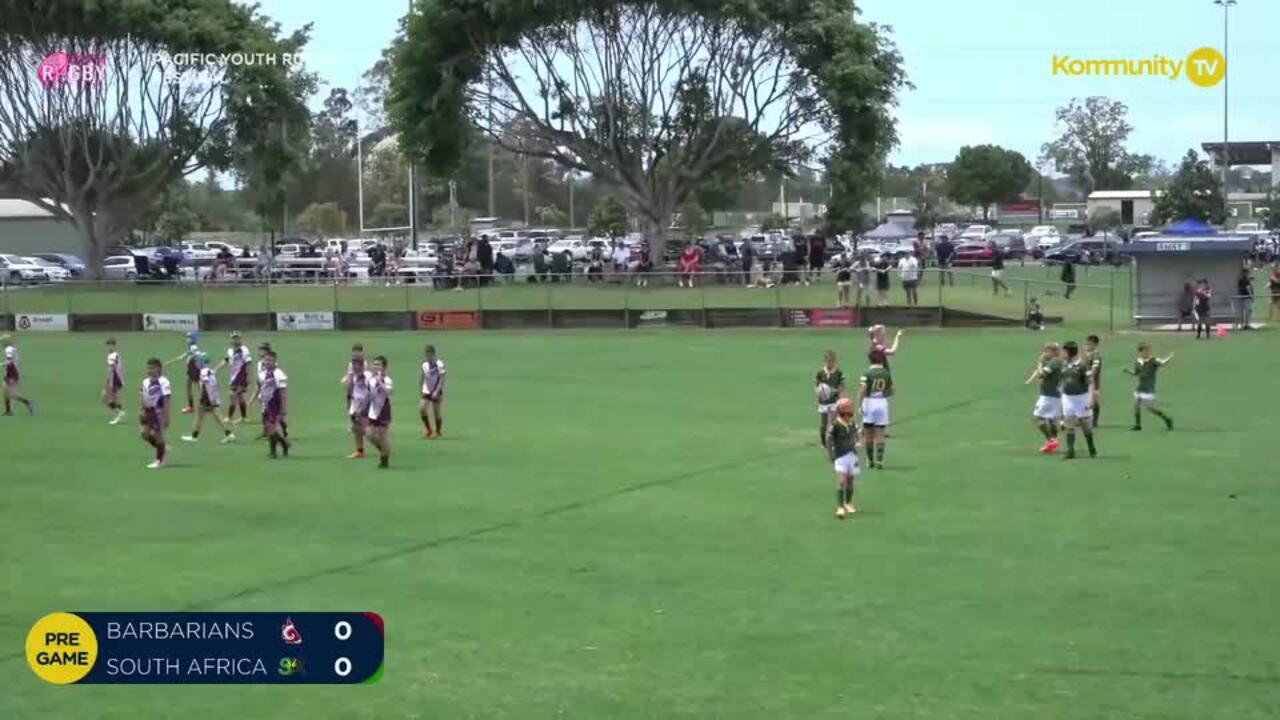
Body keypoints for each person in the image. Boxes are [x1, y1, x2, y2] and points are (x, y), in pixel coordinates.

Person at [181, 353, 234, 444]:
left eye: (198, 362)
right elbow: (213, 384)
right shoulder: (210, 371)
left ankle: (195, 437)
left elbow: (205, 385)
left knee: (203, 415)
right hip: (212, 397)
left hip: (207, 397)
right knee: (206, 416)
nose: (196, 364)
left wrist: (202, 396)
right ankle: (228, 434)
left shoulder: (203, 372)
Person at [1059, 341, 1098, 460]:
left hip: (1081, 398)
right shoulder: (1064, 364)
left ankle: (1091, 448)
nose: (1063, 353)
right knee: (1069, 423)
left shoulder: (1082, 366)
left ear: (1070, 352)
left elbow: (1091, 383)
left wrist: (1091, 399)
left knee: (1085, 424)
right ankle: (1070, 451)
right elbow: (1064, 379)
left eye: (1064, 351)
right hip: (1067, 398)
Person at [1025, 342, 1064, 454]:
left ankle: (1051, 440)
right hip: (1056, 395)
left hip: (1048, 396)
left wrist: (1040, 365)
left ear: (1054, 352)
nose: (1045, 353)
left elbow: (1042, 375)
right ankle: (1052, 442)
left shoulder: (1054, 363)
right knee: (1051, 419)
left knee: (1038, 418)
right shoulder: (1058, 362)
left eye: (1047, 351)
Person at [1125, 343, 1174, 431]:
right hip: (1140, 387)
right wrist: (1128, 371)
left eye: (1148, 350)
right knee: (1136, 405)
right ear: (1140, 352)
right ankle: (1138, 424)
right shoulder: (1138, 362)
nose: (1147, 352)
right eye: (1145, 350)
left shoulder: (1153, 360)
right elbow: (1137, 373)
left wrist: (1169, 357)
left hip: (1149, 388)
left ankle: (1167, 419)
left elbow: (1163, 363)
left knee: (1150, 408)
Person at [858, 348, 893, 469]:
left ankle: (870, 460)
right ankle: (880, 461)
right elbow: (892, 390)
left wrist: (859, 404)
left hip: (869, 402)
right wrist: (883, 394)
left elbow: (863, 389)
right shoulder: (886, 373)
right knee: (880, 433)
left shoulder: (867, 373)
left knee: (868, 433)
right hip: (882, 402)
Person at [251, 350, 290, 458]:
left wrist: (283, 408)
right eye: (266, 360)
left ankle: (273, 452)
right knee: (269, 429)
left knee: (271, 427)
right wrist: (255, 399)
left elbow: (283, 393)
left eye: (270, 360)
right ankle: (284, 444)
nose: (268, 362)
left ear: (275, 361)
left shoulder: (279, 374)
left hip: (275, 404)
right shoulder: (261, 374)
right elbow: (259, 388)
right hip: (265, 404)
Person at [827, 397, 860, 519]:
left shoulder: (851, 423)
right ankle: (840, 507)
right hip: (840, 456)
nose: (851, 409)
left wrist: (857, 440)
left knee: (850, 480)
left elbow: (856, 435)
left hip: (852, 456)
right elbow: (829, 439)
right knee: (842, 481)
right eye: (849, 407)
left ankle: (848, 502)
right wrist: (831, 454)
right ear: (843, 409)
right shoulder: (835, 425)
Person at [138, 358, 172, 468]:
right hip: (148, 411)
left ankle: (159, 461)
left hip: (158, 412)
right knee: (144, 434)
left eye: (152, 368)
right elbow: (142, 396)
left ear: (158, 368)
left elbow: (166, 399)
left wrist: (166, 416)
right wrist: (141, 410)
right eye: (148, 368)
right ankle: (162, 448)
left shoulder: (163, 382)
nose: (149, 370)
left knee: (157, 435)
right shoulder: (145, 382)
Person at [214, 332, 252, 424]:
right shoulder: (230, 350)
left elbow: (248, 363)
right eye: (234, 338)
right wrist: (216, 369)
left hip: (240, 376)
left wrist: (248, 376)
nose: (235, 340)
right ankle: (244, 417)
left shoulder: (244, 350)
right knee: (240, 397)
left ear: (240, 339)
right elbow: (226, 360)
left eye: (237, 338)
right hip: (233, 376)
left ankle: (228, 417)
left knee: (232, 395)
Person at [366, 355, 394, 468]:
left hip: (383, 410)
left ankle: (384, 461)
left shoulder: (387, 380)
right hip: (373, 410)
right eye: (374, 364)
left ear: (384, 367)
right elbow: (369, 395)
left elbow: (388, 392)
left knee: (383, 436)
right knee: (369, 435)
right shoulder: (371, 380)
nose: (375, 366)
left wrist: (379, 381)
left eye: (378, 365)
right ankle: (384, 451)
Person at [164, 331, 201, 414]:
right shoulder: (191, 347)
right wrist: (170, 362)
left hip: (194, 370)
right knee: (190, 388)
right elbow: (183, 357)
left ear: (193, 339)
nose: (187, 339)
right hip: (191, 370)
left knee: (198, 388)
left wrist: (170, 362)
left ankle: (202, 406)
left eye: (189, 337)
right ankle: (191, 407)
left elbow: (192, 356)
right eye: (187, 337)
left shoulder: (193, 347)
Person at [814, 350, 846, 448]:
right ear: (825, 361)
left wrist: (833, 391)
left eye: (832, 361)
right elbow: (816, 386)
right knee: (823, 424)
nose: (830, 363)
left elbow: (842, 386)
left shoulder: (838, 372)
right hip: (823, 402)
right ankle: (823, 442)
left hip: (833, 401)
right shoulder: (820, 373)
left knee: (833, 422)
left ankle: (833, 441)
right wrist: (819, 393)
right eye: (828, 361)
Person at [344, 355, 371, 459]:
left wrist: (364, 406)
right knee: (356, 428)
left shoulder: (367, 376)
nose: (354, 367)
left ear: (361, 365)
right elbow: (353, 390)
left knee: (368, 431)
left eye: (356, 364)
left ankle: (383, 447)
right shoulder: (355, 376)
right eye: (353, 364)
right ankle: (359, 451)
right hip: (356, 404)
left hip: (365, 405)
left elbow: (370, 391)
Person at [420, 344, 446, 438]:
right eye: (426, 355)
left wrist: (437, 391)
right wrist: (421, 389)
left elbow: (442, 378)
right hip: (426, 390)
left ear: (433, 354)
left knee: (436, 413)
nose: (428, 357)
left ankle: (438, 431)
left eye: (429, 354)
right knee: (422, 409)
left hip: (436, 390)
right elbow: (422, 377)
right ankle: (429, 430)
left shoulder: (439, 364)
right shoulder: (424, 365)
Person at [2, 336, 33, 416]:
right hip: (10, 373)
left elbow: (9, 361)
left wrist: (1, 364)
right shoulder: (12, 349)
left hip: (12, 373)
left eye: (3, 341)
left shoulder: (8, 349)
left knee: (11, 393)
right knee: (5, 392)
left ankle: (27, 402)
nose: (2, 343)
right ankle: (8, 411)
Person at [103, 338, 126, 425]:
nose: (109, 347)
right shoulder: (115, 355)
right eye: (108, 345)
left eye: (111, 345)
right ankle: (120, 413)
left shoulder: (112, 356)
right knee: (109, 398)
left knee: (108, 398)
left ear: (115, 346)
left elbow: (111, 369)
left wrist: (111, 383)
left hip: (115, 379)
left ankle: (120, 414)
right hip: (115, 379)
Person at [1084, 334, 1103, 426]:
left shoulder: (1096, 355)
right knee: (1089, 400)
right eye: (1087, 344)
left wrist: (1089, 375)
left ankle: (1094, 421)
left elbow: (1094, 369)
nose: (1087, 346)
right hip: (1087, 381)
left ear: (1095, 345)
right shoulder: (1089, 355)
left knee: (1094, 401)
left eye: (1089, 344)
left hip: (1093, 381)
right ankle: (1089, 420)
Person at [1236, 264, 1254, 330]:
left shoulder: (1241, 279)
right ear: (1245, 273)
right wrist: (1252, 296)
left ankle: (1244, 324)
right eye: (1248, 272)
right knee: (1248, 311)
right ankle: (1247, 325)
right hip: (1247, 297)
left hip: (1242, 297)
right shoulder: (1245, 280)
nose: (1248, 274)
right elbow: (1248, 288)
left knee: (1244, 311)